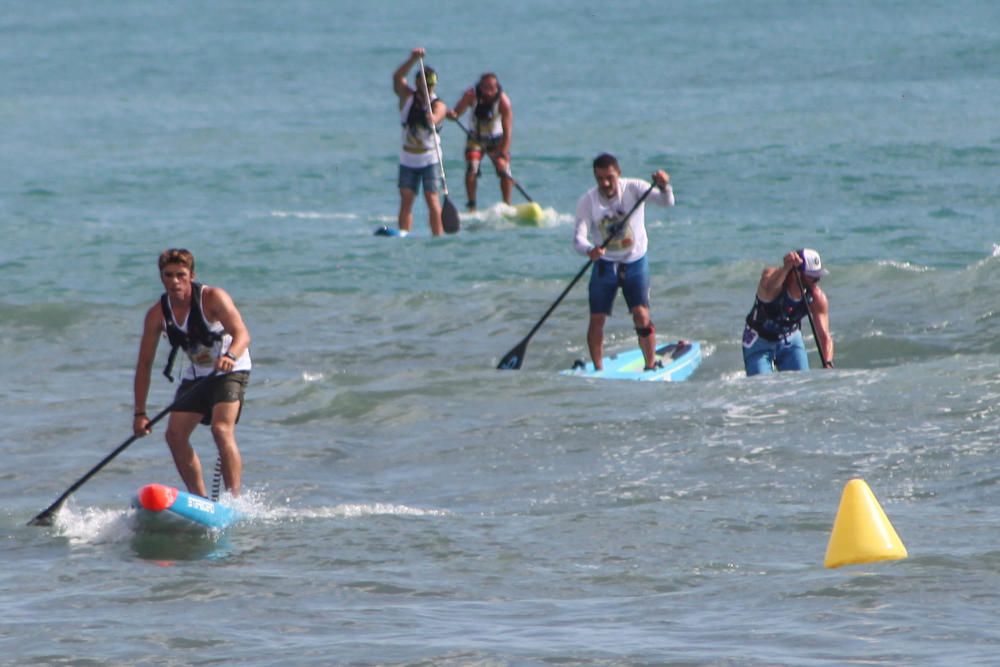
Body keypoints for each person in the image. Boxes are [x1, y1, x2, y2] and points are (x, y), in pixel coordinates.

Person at [133, 248, 252, 498]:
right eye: (168, 275)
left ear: (191, 275)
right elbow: (144, 365)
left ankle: (234, 502)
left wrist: (230, 356)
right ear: (161, 277)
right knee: (174, 435)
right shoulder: (157, 314)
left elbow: (242, 334)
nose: (175, 281)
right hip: (198, 374)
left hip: (231, 369)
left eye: (181, 275)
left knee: (221, 429)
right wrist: (140, 413)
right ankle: (200, 501)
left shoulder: (212, 297)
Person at [573, 153, 675, 371]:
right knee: (597, 318)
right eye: (600, 178)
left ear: (618, 173)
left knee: (641, 314)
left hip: (634, 261)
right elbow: (578, 238)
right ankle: (598, 369)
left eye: (609, 177)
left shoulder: (634, 188)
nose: (605, 183)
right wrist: (589, 250)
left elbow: (667, 203)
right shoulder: (588, 201)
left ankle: (650, 364)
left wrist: (665, 186)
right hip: (605, 264)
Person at [742, 248, 834, 376]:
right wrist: (786, 268)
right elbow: (768, 286)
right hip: (759, 341)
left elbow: (825, 337)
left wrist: (828, 363)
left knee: (802, 387)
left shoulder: (817, 298)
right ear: (796, 273)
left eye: (817, 277)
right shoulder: (771, 279)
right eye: (812, 277)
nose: (816, 282)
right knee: (762, 391)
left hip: (790, 339)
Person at [393, 47, 448, 237]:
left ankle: (437, 236)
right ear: (417, 83)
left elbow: (439, 114)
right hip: (408, 159)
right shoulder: (407, 97)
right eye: (424, 84)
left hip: (430, 159)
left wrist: (432, 117)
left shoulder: (437, 103)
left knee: (431, 198)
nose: (427, 89)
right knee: (407, 199)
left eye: (430, 85)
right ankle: (404, 234)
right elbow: (397, 77)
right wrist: (412, 59)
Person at [447, 72, 513, 211]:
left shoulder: (503, 102)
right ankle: (472, 205)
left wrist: (502, 155)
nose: (489, 92)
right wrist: (452, 115)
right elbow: (456, 112)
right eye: (486, 87)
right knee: (472, 168)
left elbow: (508, 132)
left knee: (505, 171)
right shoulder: (471, 95)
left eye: (492, 88)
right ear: (480, 87)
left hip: (496, 139)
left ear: (497, 87)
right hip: (475, 138)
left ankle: (507, 205)